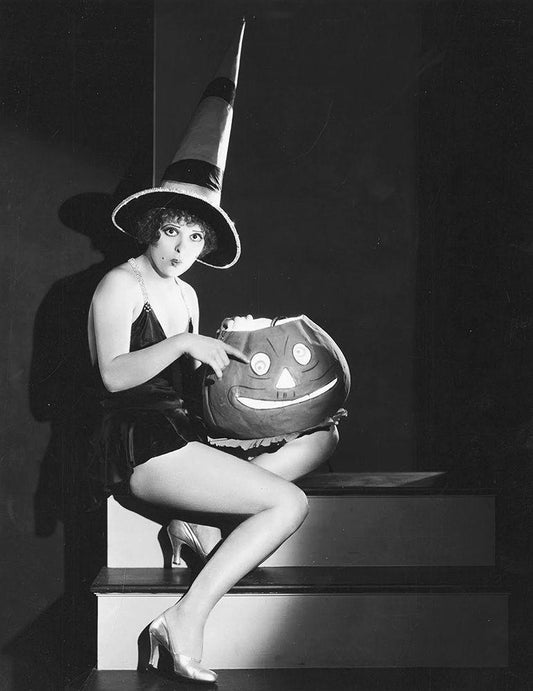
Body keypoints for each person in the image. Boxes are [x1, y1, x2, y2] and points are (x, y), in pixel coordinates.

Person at [87, 204, 339, 683]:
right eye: (171, 231)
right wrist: (184, 344)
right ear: (150, 229)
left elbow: (189, 390)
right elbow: (113, 376)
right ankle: (183, 619)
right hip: (140, 441)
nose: (181, 248)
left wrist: (237, 350)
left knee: (321, 438)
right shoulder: (120, 283)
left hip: (184, 430)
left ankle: (194, 518)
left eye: (196, 238)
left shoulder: (186, 293)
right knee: (288, 504)